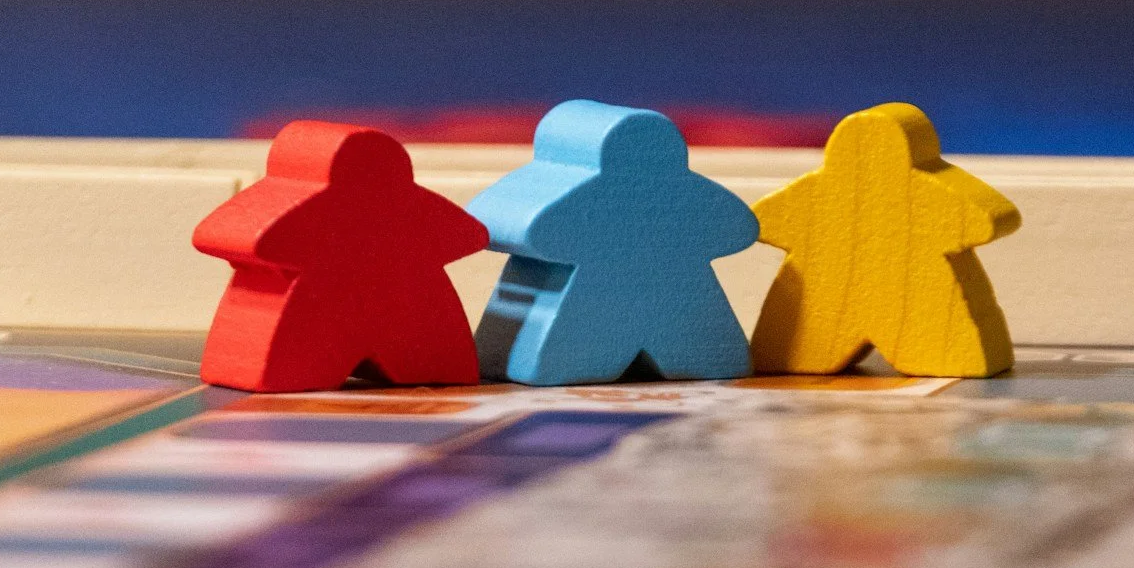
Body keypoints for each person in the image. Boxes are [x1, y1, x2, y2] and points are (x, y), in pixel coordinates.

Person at [470, 101, 761, 384]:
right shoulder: (682, 191)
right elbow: (519, 229)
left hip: (657, 300)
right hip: (595, 306)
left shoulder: (677, 193)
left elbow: (525, 229)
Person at [194, 121, 487, 391]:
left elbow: (224, 235)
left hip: (385, 313)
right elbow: (473, 235)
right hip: (332, 313)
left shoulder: (400, 205)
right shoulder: (407, 204)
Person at [750, 102, 1020, 378]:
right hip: (908, 298)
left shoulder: (814, 190)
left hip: (860, 296)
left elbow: (759, 221)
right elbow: (989, 220)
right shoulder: (929, 189)